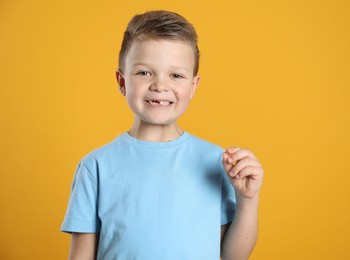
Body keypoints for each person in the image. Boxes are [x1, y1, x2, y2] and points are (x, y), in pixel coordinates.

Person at [61, 10, 264, 260]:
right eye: (144, 72)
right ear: (122, 81)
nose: (160, 85)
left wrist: (248, 198)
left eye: (176, 75)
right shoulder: (96, 167)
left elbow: (232, 257)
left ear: (193, 86)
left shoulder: (216, 162)